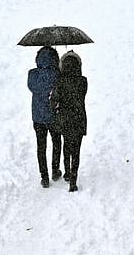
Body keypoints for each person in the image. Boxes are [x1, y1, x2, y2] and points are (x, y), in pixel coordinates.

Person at [51, 51, 87, 192]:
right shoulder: (83, 81)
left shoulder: (60, 82)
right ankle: (73, 180)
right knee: (76, 151)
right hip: (79, 119)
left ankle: (66, 172)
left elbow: (54, 102)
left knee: (66, 146)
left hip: (65, 119)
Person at [28, 46, 62, 188]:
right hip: (53, 115)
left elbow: (32, 87)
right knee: (56, 143)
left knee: (41, 147)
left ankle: (44, 177)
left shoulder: (32, 74)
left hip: (38, 116)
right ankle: (55, 170)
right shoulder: (57, 74)